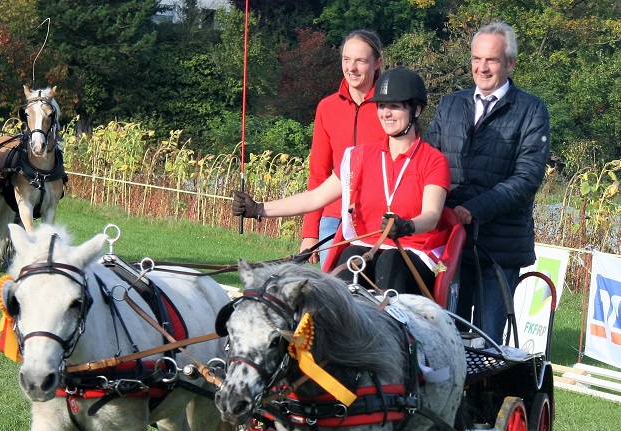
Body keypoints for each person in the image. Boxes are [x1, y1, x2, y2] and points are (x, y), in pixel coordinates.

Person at [234, 67, 456, 297]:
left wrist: (407, 226)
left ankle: (397, 330)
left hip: (415, 252)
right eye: (381, 106)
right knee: (351, 259)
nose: (386, 113)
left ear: (416, 110)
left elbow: (431, 215)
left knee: (389, 261)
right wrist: (259, 209)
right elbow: (315, 197)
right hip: (367, 250)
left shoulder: (433, 161)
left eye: (395, 106)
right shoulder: (360, 157)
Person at [425, 21, 550, 342]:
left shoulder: (531, 110)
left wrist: (473, 210)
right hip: (447, 246)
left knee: (486, 345)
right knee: (441, 340)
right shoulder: (450, 104)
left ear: (510, 63)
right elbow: (428, 164)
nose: (482, 67)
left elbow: (527, 179)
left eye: (491, 60)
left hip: (498, 250)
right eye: (476, 59)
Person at [300, 29, 387, 266]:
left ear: (377, 62)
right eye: (346, 59)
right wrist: (310, 233)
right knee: (333, 291)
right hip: (333, 217)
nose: (352, 68)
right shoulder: (327, 108)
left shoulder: (391, 109)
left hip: (374, 221)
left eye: (360, 60)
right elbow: (318, 173)